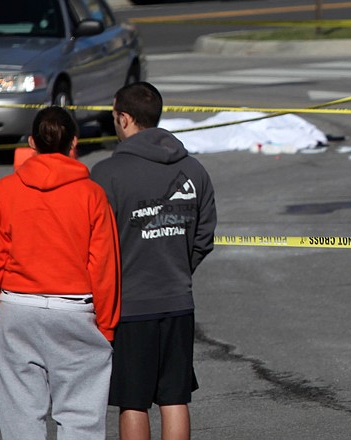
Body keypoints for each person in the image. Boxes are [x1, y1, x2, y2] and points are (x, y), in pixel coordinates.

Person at [0, 106, 121, 439]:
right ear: (74, 142)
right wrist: (107, 326)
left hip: (17, 309)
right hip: (74, 311)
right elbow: (103, 266)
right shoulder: (92, 195)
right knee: (81, 418)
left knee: (21, 417)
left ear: (32, 143)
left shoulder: (6, 190)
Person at [91, 82, 217, 439]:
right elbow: (204, 236)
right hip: (178, 299)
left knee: (133, 400)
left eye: (115, 117)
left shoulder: (106, 175)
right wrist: (178, 265)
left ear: (125, 118)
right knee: (175, 397)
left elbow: (95, 242)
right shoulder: (193, 169)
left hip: (130, 305)